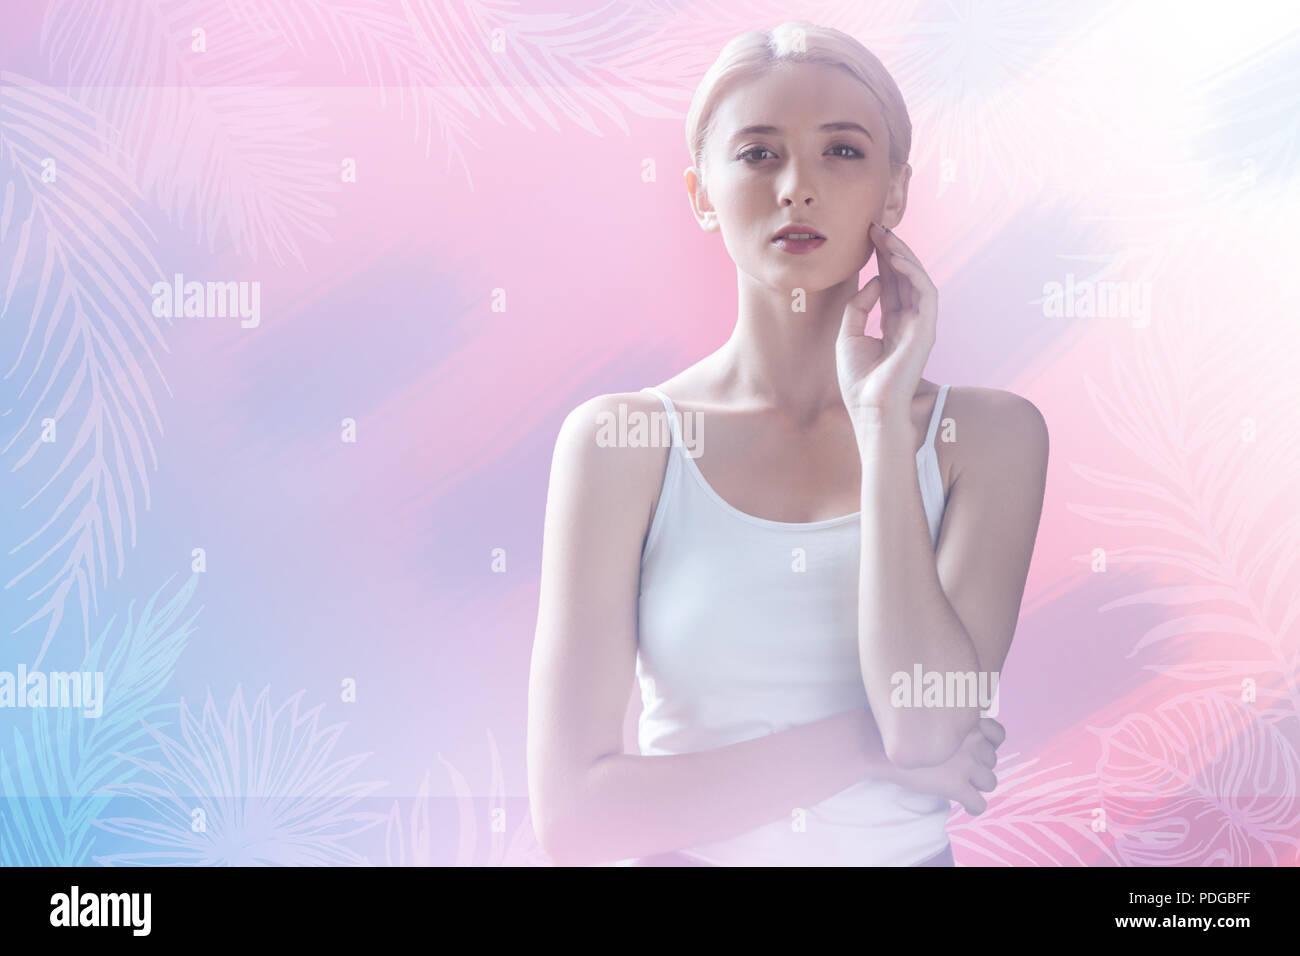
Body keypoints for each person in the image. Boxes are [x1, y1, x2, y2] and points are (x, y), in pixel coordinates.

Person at [527, 21, 1048, 867]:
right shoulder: (620, 445)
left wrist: (881, 430)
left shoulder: (989, 439)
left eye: (842, 152)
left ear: (894, 192)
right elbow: (579, 821)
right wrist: (860, 747)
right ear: (701, 194)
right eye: (759, 154)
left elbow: (925, 727)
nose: (797, 187)